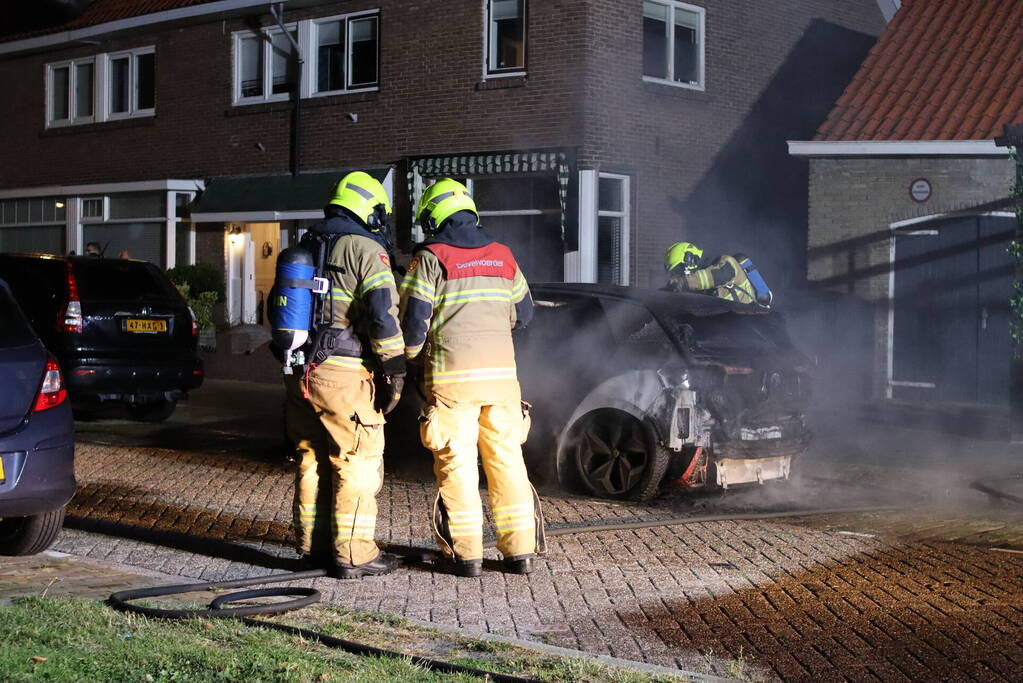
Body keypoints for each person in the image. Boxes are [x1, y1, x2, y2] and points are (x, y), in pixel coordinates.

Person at [399, 178, 545, 577]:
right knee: (507, 462)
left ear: (432, 215)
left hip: (453, 383)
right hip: (502, 383)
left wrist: (410, 362)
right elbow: (526, 313)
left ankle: (466, 556)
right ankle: (520, 553)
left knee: (458, 465)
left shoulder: (430, 256)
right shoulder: (504, 256)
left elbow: (414, 322)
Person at [280, 171, 405, 579]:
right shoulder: (365, 249)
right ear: (367, 209)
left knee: (311, 459)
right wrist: (395, 370)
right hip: (344, 373)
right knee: (357, 462)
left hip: (301, 370)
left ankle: (311, 548)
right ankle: (354, 554)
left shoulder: (306, 243)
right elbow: (383, 314)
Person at [663, 241, 762, 305]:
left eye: (678, 269)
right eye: (674, 273)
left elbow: (711, 277)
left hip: (750, 319)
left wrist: (683, 282)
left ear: (689, 259)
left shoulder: (726, 263)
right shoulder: (697, 286)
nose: (677, 275)